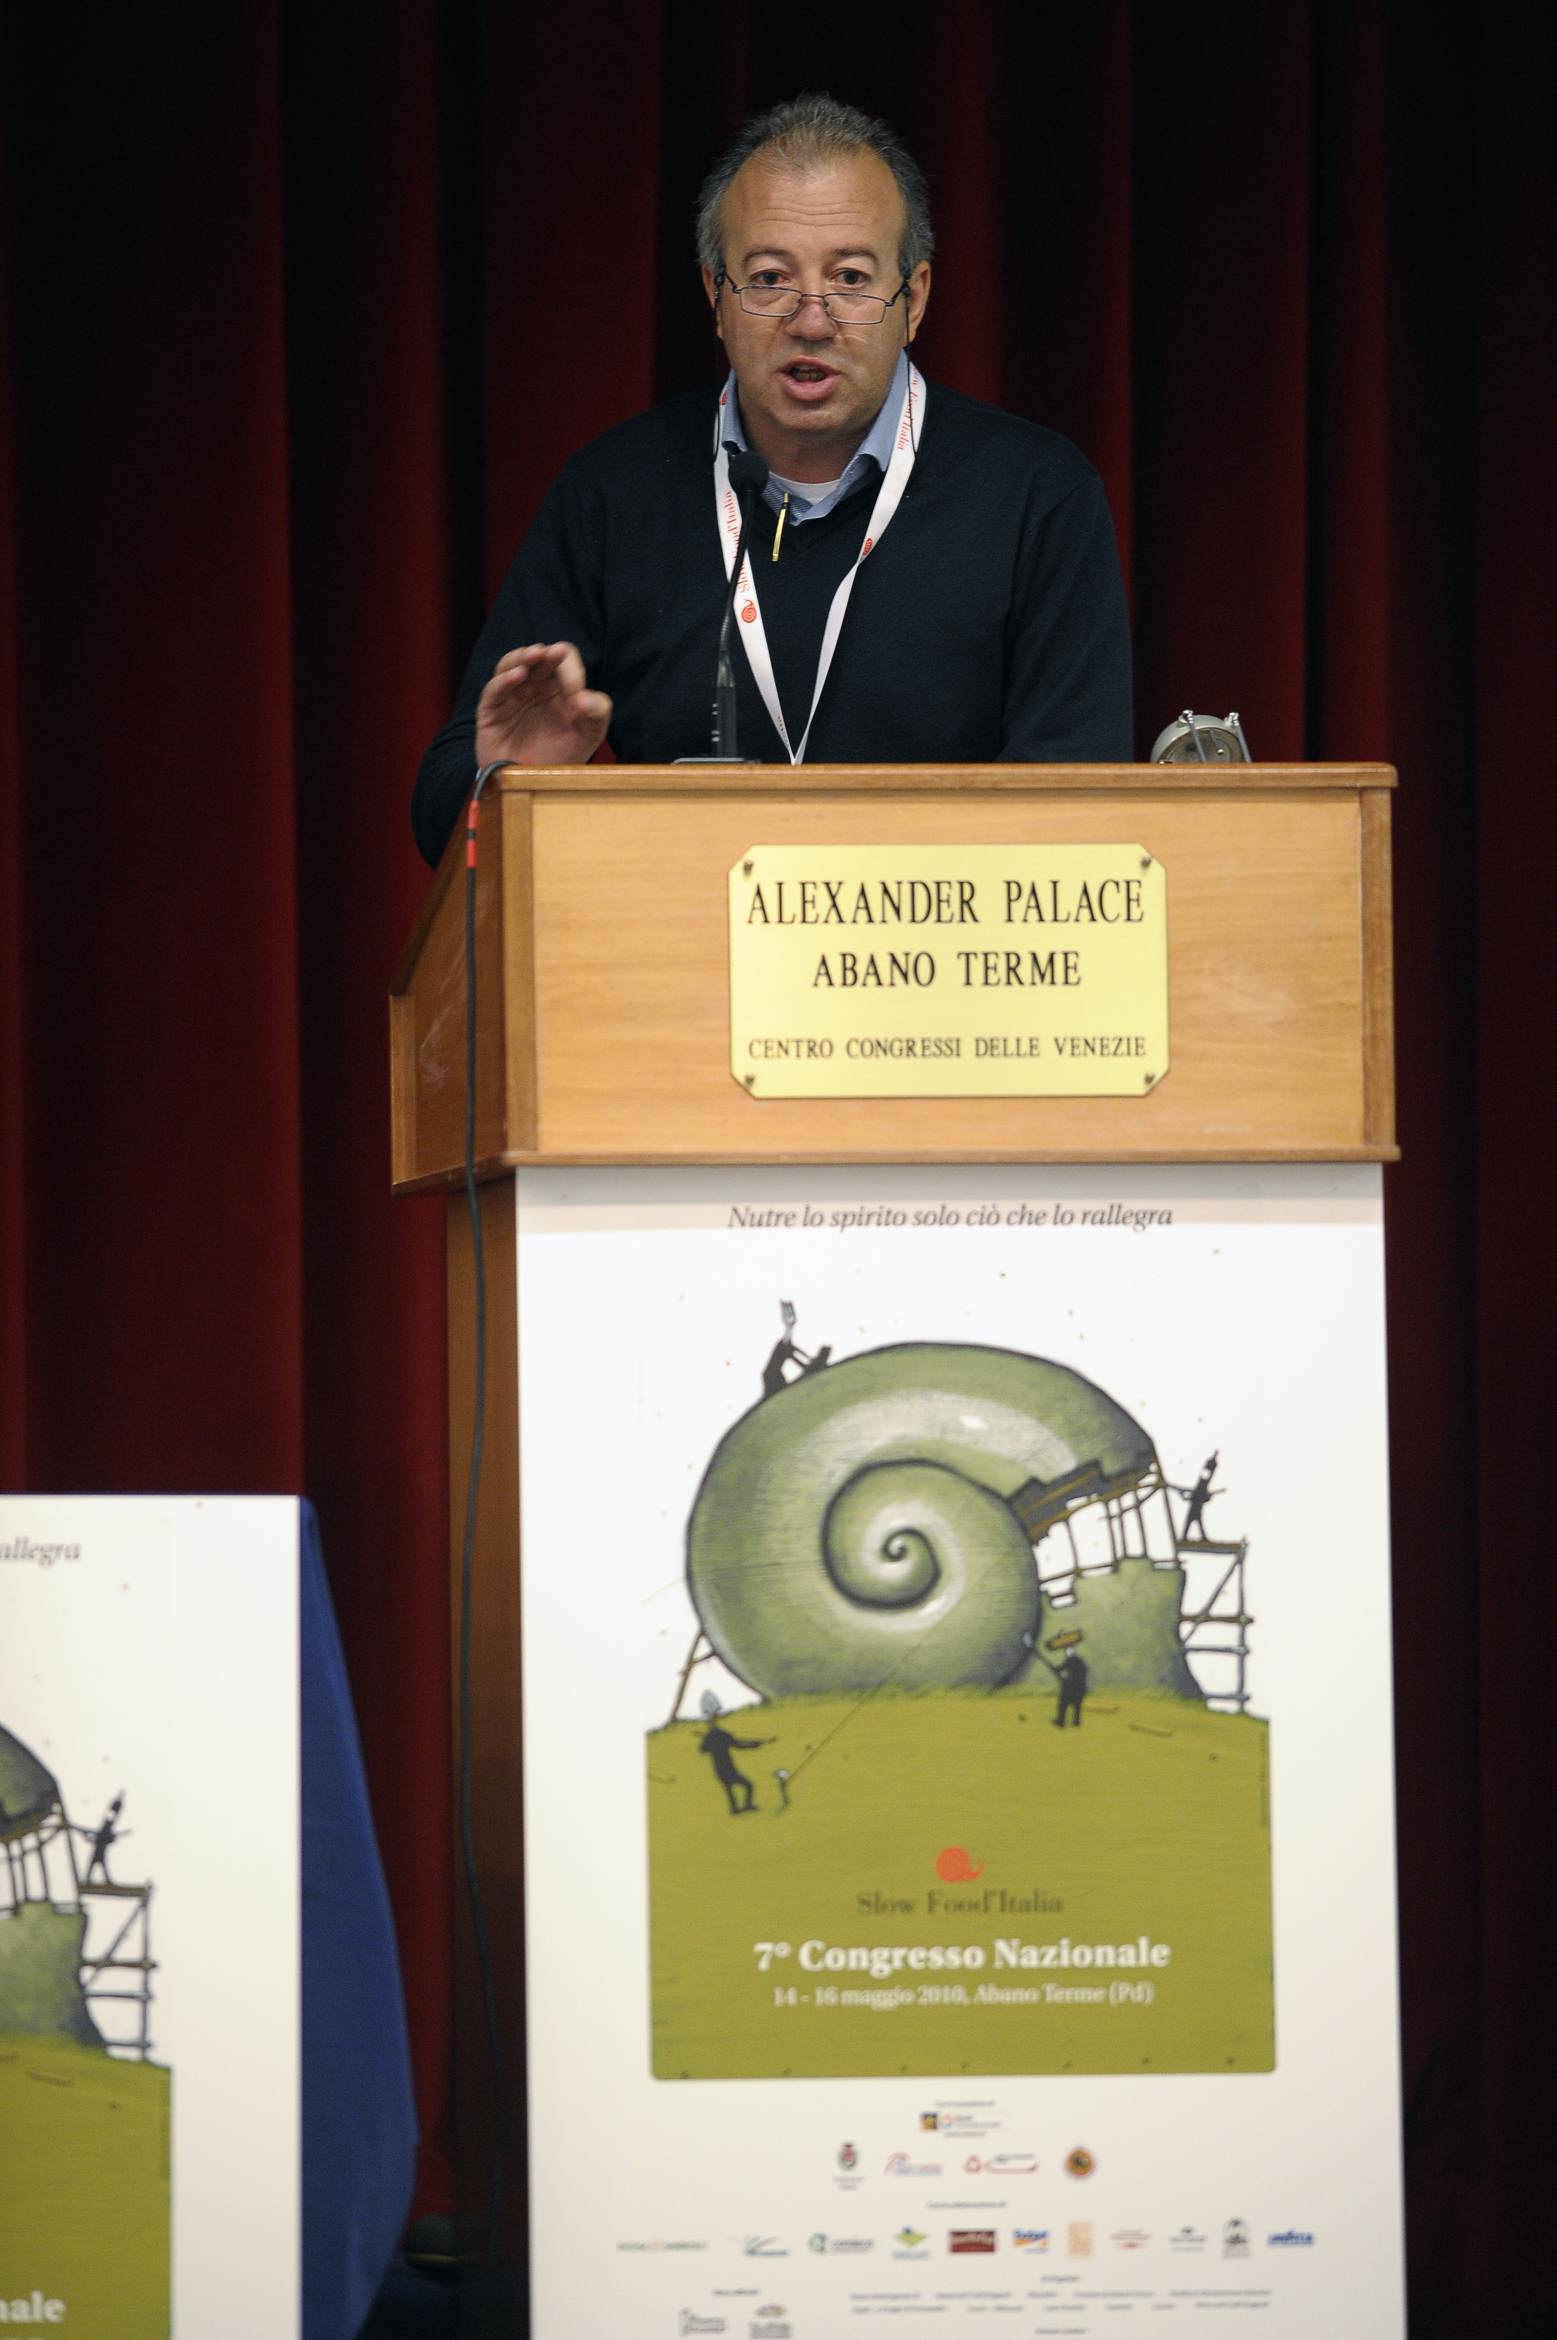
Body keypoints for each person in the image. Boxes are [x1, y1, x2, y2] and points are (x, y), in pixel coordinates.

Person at [413, 95, 1133, 865]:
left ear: (914, 298)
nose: (811, 320)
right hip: (678, 934)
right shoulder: (614, 493)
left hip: (944, 932)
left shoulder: (1035, 496)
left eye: (850, 278)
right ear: (715, 296)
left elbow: (1078, 808)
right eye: (767, 278)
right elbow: (443, 813)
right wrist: (511, 784)